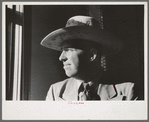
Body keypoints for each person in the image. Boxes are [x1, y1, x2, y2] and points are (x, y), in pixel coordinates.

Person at [41, 15, 138, 101]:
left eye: (68, 50)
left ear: (92, 55)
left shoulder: (127, 91)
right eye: (62, 50)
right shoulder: (55, 92)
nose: (61, 58)